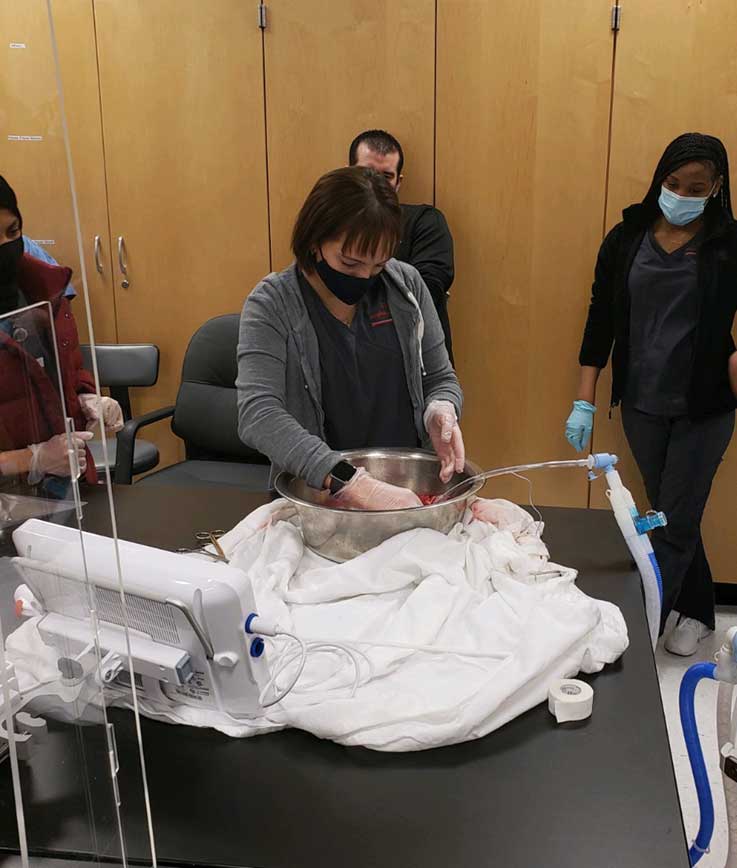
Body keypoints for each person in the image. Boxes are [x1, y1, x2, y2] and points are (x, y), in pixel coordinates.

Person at [565, 133, 737, 656]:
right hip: (641, 404)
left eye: (696, 187)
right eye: (673, 183)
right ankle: (700, 612)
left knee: (673, 522)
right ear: (660, 179)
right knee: (669, 509)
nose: (682, 194)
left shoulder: (729, 244)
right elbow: (600, 320)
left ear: (717, 189)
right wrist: (585, 400)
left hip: (704, 408)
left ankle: (638, 627)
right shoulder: (626, 238)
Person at [237, 166, 464, 510]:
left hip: (406, 489)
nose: (364, 277)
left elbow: (441, 378)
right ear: (314, 241)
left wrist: (441, 409)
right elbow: (258, 413)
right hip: (319, 497)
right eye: (349, 263)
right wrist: (347, 479)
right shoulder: (272, 303)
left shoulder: (406, 286)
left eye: (377, 265)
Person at [0, 175, 123, 494]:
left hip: (64, 491)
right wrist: (32, 458)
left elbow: (63, 364)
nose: (6, 247)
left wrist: (84, 397)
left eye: (12, 231)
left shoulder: (39, 282)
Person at [349, 129, 455, 363]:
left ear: (398, 182)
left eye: (386, 176)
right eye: (367, 173)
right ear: (348, 175)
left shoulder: (424, 222)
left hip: (418, 367)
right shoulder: (333, 228)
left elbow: (428, 289)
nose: (375, 183)